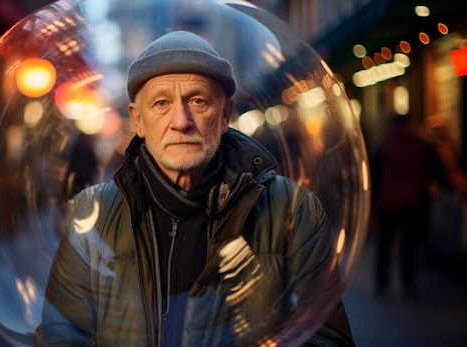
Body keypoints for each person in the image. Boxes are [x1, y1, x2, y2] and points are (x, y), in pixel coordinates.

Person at [35, 31, 354, 346]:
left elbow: (326, 338)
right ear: (139, 120)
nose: (181, 120)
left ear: (226, 114)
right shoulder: (91, 215)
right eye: (161, 103)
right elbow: (60, 334)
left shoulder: (294, 210)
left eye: (198, 101)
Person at [370, 114, 450, 300]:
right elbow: (438, 172)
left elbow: (373, 176)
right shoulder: (423, 145)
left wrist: (372, 204)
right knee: (410, 246)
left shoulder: (382, 146)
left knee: (384, 246)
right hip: (414, 205)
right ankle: (409, 284)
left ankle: (382, 286)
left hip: (387, 205)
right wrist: (449, 187)